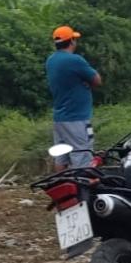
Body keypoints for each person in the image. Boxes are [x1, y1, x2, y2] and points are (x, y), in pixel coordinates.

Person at [46, 25, 102, 170]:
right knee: (82, 155)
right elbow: (97, 80)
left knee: (61, 157)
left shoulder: (51, 60)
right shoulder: (75, 60)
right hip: (77, 118)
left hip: (60, 118)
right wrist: (86, 82)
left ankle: (63, 189)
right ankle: (82, 191)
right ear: (71, 41)